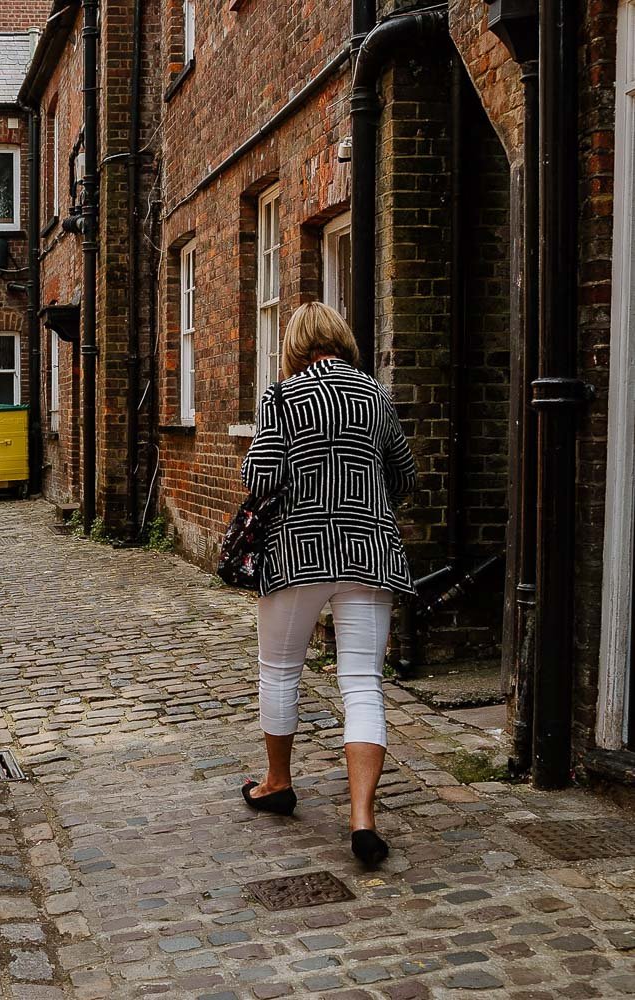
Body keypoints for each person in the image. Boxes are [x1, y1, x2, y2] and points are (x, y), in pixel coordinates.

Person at [239, 301, 417, 867]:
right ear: (342, 339)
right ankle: (363, 818)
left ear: (295, 346)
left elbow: (259, 477)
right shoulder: (376, 396)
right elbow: (404, 476)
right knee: (362, 680)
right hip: (369, 551)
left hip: (296, 553)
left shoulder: (283, 398)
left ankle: (277, 783)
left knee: (280, 670)